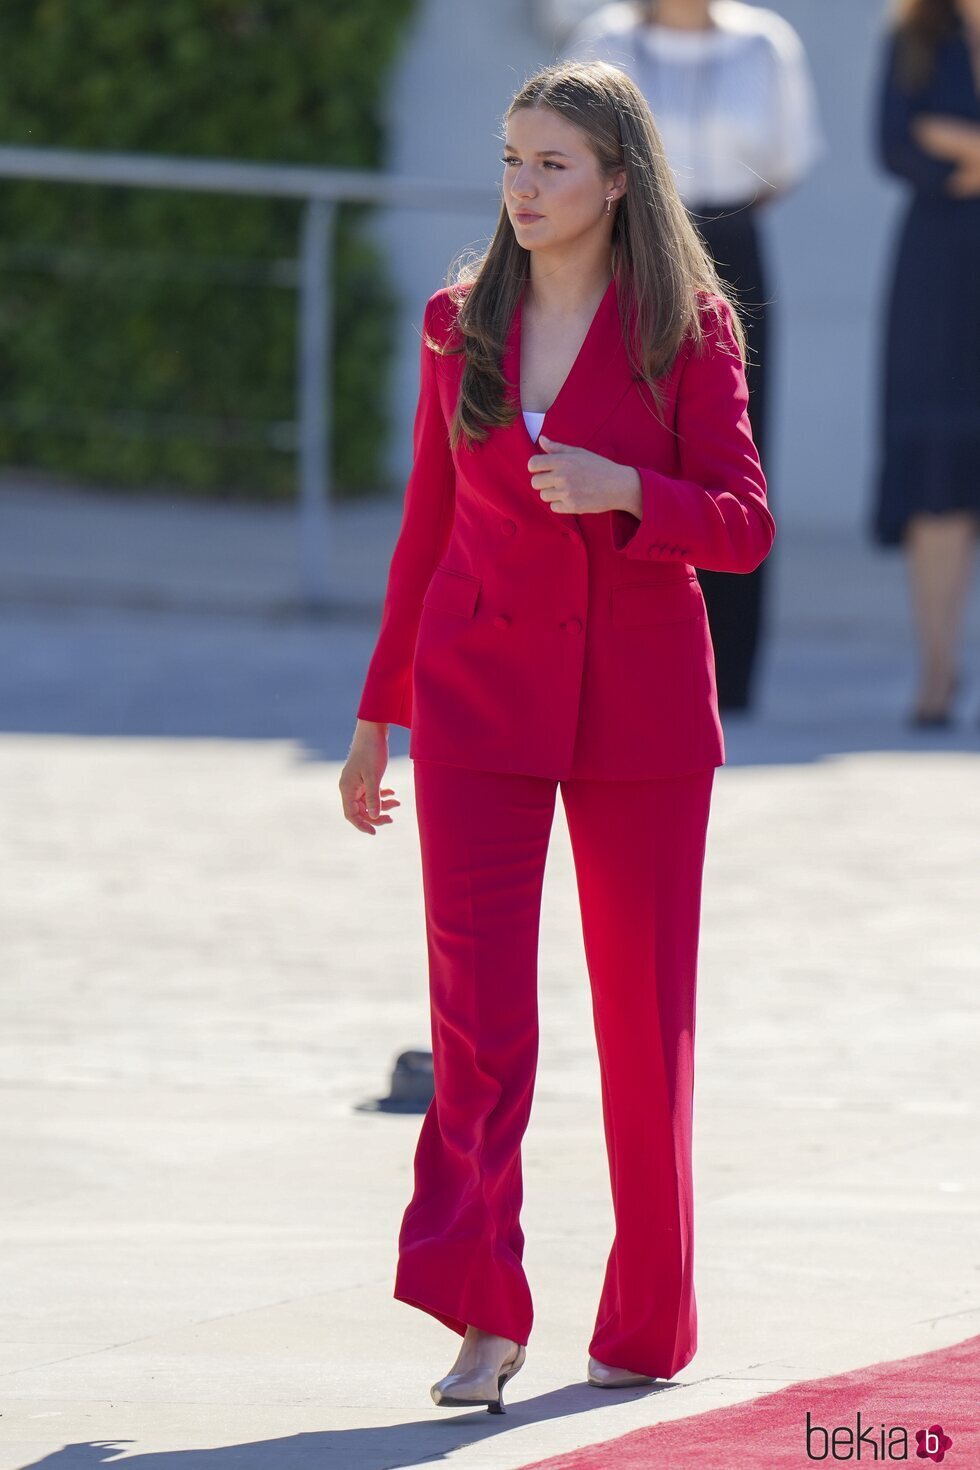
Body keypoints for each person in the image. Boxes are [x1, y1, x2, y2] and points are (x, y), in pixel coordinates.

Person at [339, 58, 774, 1411]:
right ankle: (482, 1311)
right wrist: (375, 717)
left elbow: (745, 523)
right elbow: (423, 531)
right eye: (512, 160)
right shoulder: (453, 319)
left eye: (554, 165)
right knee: (476, 1026)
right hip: (477, 702)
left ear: (617, 179)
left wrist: (627, 488)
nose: (524, 188)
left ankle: (646, 1316)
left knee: (646, 1032)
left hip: (640, 714)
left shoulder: (691, 327)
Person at [564, 0, 824, 712]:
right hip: (627, 244)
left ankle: (730, 679)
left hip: (735, 245)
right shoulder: (604, 37)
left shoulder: (766, 44)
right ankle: (623, 664)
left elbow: (791, 157)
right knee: (627, 440)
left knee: (733, 453)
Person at [872, 0, 980, 727]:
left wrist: (961, 144)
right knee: (938, 471)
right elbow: (896, 145)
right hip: (939, 272)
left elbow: (930, 138)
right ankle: (936, 673)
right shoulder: (914, 34)